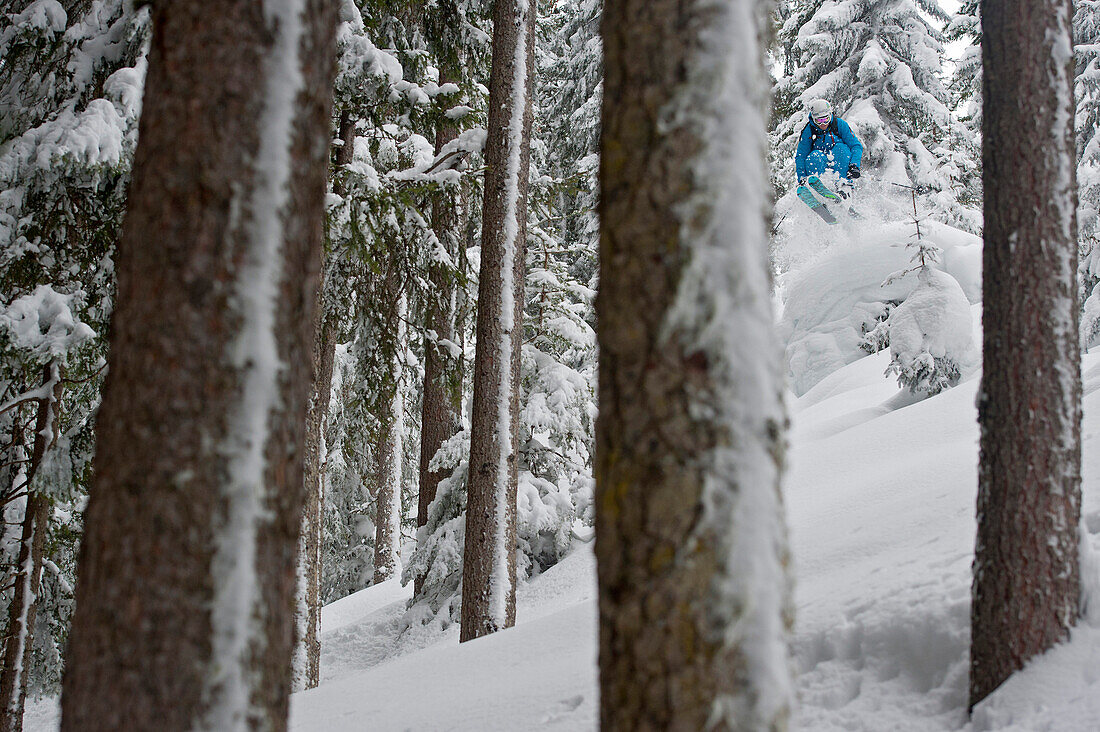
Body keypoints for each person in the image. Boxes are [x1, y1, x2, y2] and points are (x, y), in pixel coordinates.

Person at [795, 99, 863, 189]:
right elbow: (801, 155)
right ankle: (817, 187)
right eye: (819, 121)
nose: (823, 124)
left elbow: (855, 146)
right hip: (819, 164)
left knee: (841, 148)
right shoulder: (809, 130)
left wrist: (854, 165)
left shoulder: (840, 125)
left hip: (839, 163)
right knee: (815, 156)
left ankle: (844, 185)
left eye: (825, 119)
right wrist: (801, 177)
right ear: (813, 119)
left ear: (830, 116)